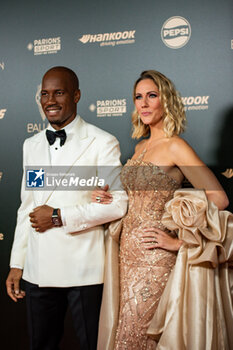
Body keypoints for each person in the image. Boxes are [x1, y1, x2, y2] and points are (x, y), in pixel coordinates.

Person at [92, 70, 229, 349]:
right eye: (138, 97)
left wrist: (179, 242)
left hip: (154, 263)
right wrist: (107, 197)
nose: (143, 103)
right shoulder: (140, 147)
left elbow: (219, 199)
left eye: (151, 96)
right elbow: (134, 200)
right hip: (124, 260)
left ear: (166, 101)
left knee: (139, 339)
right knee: (123, 337)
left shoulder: (175, 146)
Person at [6, 66, 128, 350]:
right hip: (38, 271)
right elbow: (28, 207)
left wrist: (59, 217)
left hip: (84, 270)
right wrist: (17, 264)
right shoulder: (31, 145)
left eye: (59, 92)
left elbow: (118, 204)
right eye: (44, 94)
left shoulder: (102, 142)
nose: (50, 100)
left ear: (76, 95)